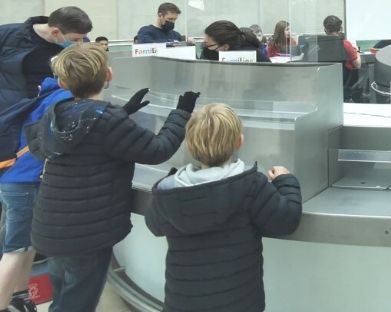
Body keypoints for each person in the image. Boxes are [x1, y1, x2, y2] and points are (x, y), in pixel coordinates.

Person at [24, 44, 199, 312]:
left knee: (63, 292)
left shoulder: (55, 114)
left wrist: (122, 113)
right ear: (109, 75)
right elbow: (157, 150)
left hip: (51, 227)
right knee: (77, 302)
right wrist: (181, 113)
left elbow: (62, 141)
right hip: (88, 233)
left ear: (62, 82)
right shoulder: (108, 121)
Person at [145, 103, 302, 312]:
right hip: (239, 304)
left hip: (182, 304)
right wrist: (285, 180)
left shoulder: (169, 191)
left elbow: (154, 225)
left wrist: (169, 179)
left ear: (189, 145)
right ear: (240, 141)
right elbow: (286, 220)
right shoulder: (251, 185)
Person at [0, 76, 70, 312]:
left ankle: (19, 297)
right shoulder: (63, 100)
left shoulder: (44, 93)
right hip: (26, 182)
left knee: (27, 246)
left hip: (13, 177)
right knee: (15, 250)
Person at [0, 6, 92, 112]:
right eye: (76, 39)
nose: (81, 42)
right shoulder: (6, 35)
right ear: (55, 33)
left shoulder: (81, 45)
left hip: (55, 110)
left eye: (83, 38)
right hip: (12, 111)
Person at [202, 20, 270, 62]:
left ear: (225, 47)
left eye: (208, 45)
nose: (205, 48)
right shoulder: (212, 54)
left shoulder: (254, 57)